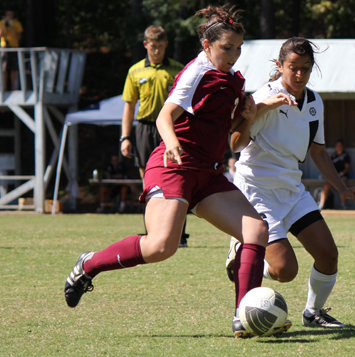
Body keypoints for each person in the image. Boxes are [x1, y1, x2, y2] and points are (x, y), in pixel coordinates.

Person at [64, 5, 278, 339]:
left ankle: (244, 316)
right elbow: (165, 116)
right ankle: (88, 264)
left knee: (256, 232)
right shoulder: (196, 72)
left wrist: (253, 113)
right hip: (173, 167)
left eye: (238, 48)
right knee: (162, 247)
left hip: (207, 174)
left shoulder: (234, 80)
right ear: (207, 47)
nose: (234, 55)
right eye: (226, 48)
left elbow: (232, 138)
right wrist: (173, 143)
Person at [228, 37, 355, 328]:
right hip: (257, 191)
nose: (300, 74)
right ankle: (244, 260)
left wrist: (342, 188)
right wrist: (263, 108)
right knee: (284, 270)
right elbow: (235, 144)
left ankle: (313, 313)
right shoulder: (264, 96)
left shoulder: (314, 101)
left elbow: (317, 150)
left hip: (291, 190)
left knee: (328, 255)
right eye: (293, 67)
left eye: (306, 67)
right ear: (279, 66)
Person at [119, 25, 190, 247]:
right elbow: (129, 106)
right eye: (153, 46)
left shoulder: (178, 70)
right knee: (148, 181)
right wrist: (125, 137)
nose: (157, 50)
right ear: (145, 45)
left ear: (166, 45)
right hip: (143, 129)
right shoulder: (135, 71)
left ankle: (180, 235)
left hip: (170, 128)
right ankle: (151, 232)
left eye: (160, 46)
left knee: (176, 179)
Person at [319, 139, 350, 209]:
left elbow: (347, 168)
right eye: (337, 145)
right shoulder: (333, 156)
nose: (338, 147)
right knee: (326, 185)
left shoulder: (345, 156)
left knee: (343, 185)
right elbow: (328, 167)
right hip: (334, 176)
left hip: (342, 176)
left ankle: (343, 204)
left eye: (340, 145)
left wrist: (341, 174)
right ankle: (321, 204)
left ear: (342, 146)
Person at [0, 10, 23, 90]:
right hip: (4, 47)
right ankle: (3, 88)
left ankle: (14, 88)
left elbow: (19, 37)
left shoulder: (16, 23)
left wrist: (11, 28)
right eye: (8, 14)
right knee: (4, 68)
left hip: (14, 47)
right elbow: (0, 35)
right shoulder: (1, 22)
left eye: (11, 14)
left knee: (14, 68)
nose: (9, 16)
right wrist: (3, 25)